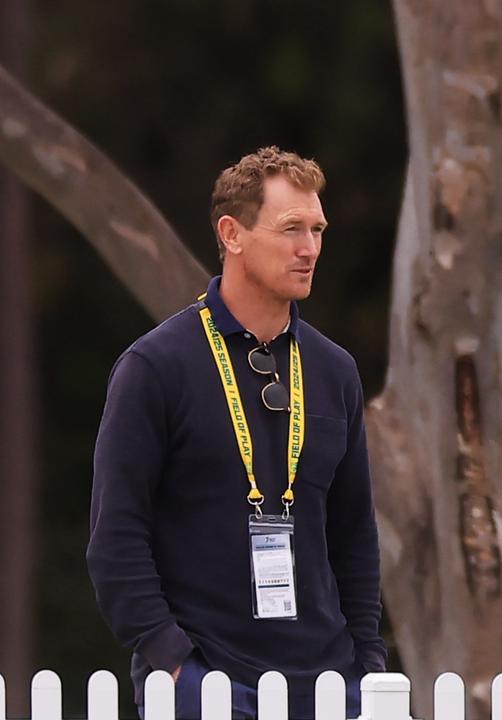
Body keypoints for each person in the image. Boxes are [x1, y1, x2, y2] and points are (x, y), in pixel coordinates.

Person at [87, 147, 385, 719]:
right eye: (291, 228)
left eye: (318, 229)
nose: (310, 248)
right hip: (205, 684)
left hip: (328, 687)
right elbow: (115, 540)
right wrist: (175, 664)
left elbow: (354, 537)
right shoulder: (155, 368)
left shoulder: (334, 371)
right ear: (232, 233)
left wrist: (367, 666)